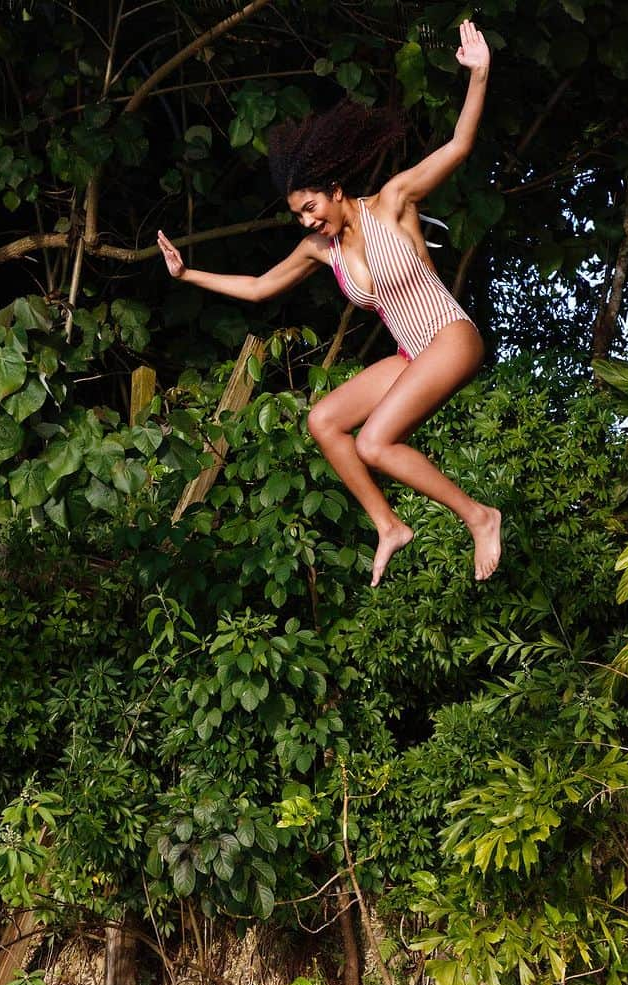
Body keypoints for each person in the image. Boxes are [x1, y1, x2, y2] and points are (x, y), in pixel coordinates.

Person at [157, 21, 501, 587]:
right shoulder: (320, 249)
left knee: (376, 442)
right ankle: (389, 526)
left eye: (312, 206)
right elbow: (259, 286)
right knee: (324, 421)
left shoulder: (392, 203)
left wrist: (479, 74)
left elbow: (459, 146)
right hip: (413, 353)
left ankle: (480, 517)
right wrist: (188, 272)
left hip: (451, 335)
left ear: (336, 190)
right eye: (297, 214)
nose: (307, 219)